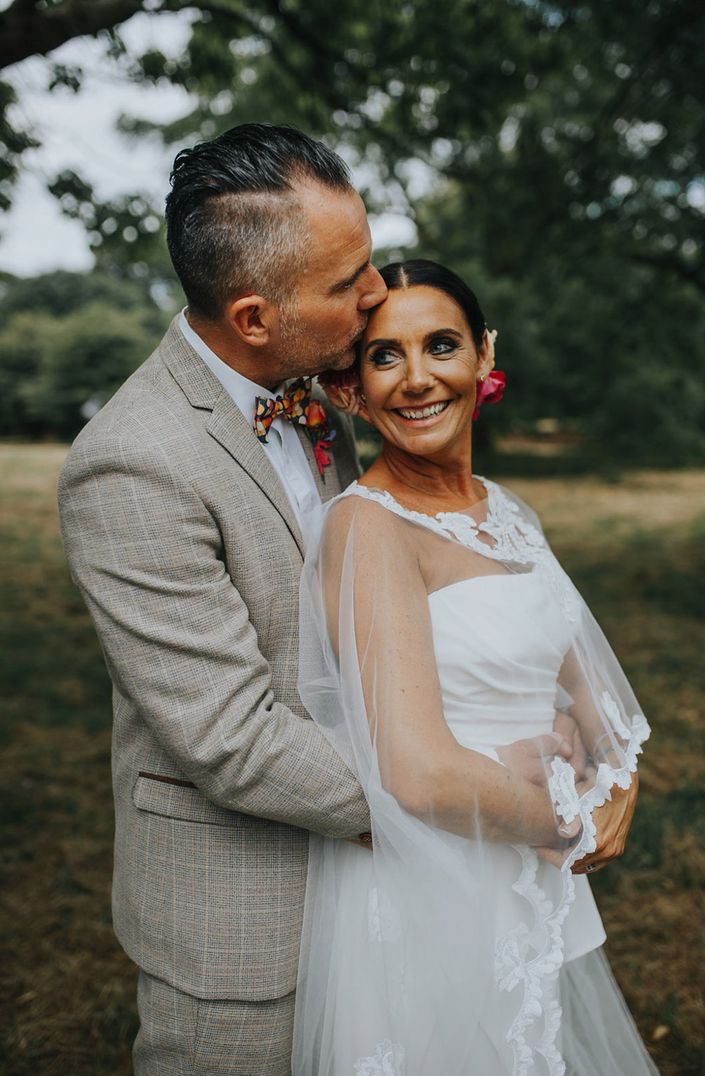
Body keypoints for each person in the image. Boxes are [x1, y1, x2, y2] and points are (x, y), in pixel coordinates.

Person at [57, 123, 391, 1075]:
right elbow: (230, 737)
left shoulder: (315, 402)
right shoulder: (131, 464)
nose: (377, 294)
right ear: (253, 317)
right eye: (347, 281)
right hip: (240, 913)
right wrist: (444, 808)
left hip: (360, 886)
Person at [292, 259, 659, 1074]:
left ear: (485, 355)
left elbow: (583, 684)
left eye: (442, 345)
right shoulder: (368, 529)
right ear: (352, 385)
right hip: (440, 884)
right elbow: (417, 775)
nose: (417, 379)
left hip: (529, 881)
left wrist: (619, 784)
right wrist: (567, 815)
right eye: (385, 356)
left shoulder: (503, 511)